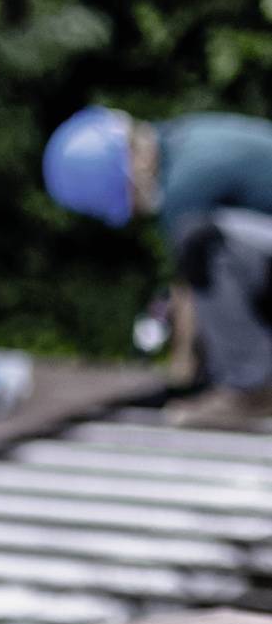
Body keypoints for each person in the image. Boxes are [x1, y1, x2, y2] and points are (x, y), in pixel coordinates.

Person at [45, 105, 272, 422]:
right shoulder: (183, 140)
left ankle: (250, 390)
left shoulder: (184, 183)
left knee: (203, 245)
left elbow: (190, 290)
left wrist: (182, 376)